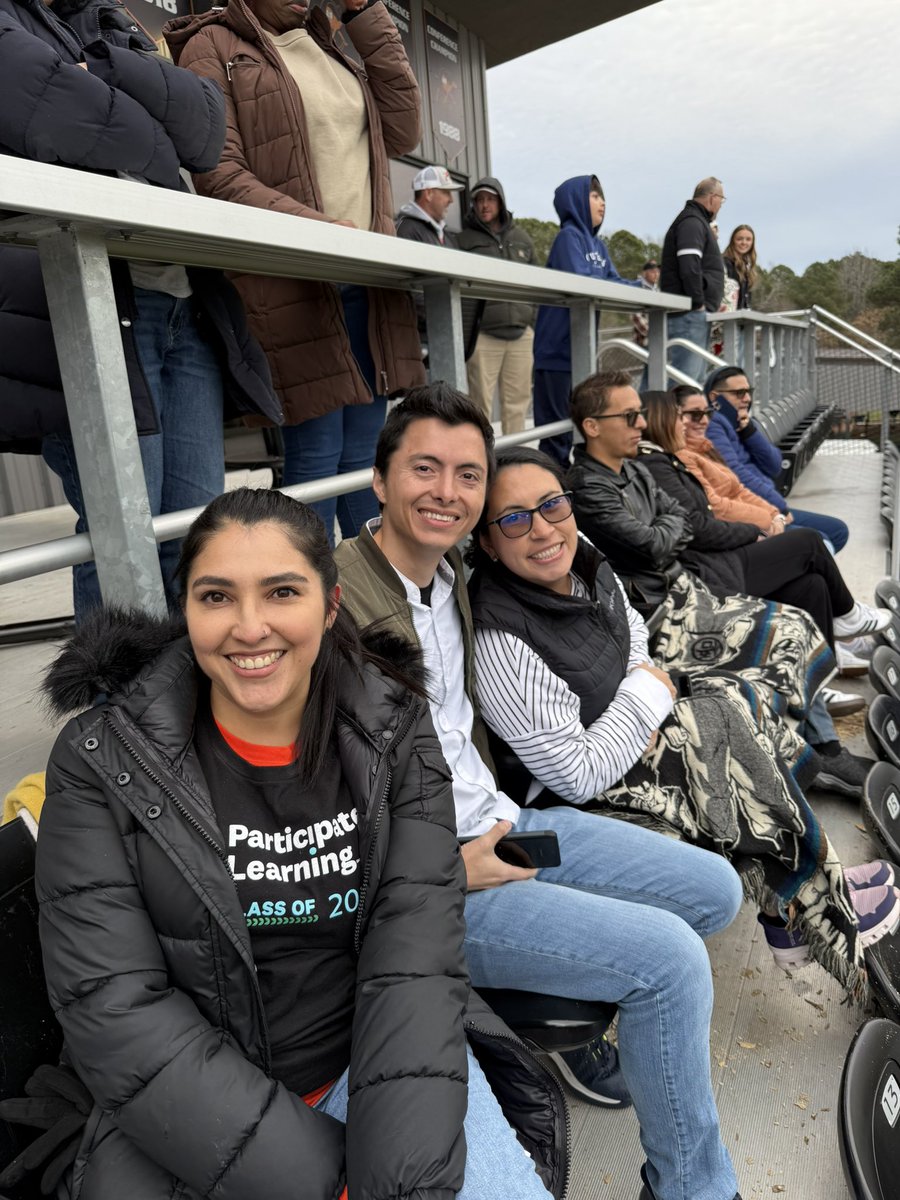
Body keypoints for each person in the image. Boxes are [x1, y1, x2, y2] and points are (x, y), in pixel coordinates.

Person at [35, 487, 567, 1200]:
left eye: (282, 591)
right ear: (185, 611)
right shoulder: (103, 759)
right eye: (216, 597)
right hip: (190, 1107)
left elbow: (414, 954)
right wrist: (327, 1182)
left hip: (374, 1059)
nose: (249, 627)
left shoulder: (392, 727)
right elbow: (113, 1005)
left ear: (331, 604)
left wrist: (397, 1180)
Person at [335, 383, 747, 1200]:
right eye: (424, 468)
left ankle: (563, 996)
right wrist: (443, 871)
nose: (446, 492)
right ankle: (692, 1188)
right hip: (436, 879)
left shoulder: (453, 577)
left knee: (714, 889)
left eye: (466, 474)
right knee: (670, 963)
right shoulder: (333, 603)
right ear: (379, 480)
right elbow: (307, 806)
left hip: (507, 823)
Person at [469, 446, 897, 990]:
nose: (541, 528)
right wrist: (647, 696)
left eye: (551, 505)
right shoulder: (499, 635)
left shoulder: (584, 562)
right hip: (573, 795)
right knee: (710, 728)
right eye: (513, 518)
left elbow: (635, 638)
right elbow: (572, 775)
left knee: (729, 699)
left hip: (619, 736)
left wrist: (642, 690)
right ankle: (807, 907)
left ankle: (801, 890)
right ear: (485, 540)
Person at [0, 0, 280, 620]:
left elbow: (204, 127)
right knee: (126, 530)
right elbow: (50, 114)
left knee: (199, 530)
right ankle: (119, 710)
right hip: (90, 303)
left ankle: (180, 702)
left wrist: (92, 70)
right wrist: (140, 100)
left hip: (185, 303)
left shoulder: (111, 21)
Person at [165, 0, 425, 544]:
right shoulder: (211, 44)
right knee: (318, 455)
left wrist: (365, 13)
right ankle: (311, 609)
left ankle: (370, 608)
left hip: (365, 279)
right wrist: (318, 231)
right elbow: (217, 172)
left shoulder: (329, 41)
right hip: (292, 280)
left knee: (365, 456)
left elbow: (402, 131)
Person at [566, 371, 888, 797]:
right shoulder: (590, 486)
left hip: (684, 584)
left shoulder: (633, 469)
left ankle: (823, 745)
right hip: (666, 611)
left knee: (808, 591)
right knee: (796, 595)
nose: (640, 424)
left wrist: (672, 530)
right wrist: (678, 530)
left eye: (641, 415)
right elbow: (656, 543)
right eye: (629, 416)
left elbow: (678, 521)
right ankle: (816, 751)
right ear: (592, 426)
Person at [638, 390, 869, 718]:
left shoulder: (678, 456)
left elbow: (755, 477)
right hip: (708, 572)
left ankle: (815, 689)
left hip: (725, 553)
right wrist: (757, 530)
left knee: (813, 585)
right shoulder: (659, 464)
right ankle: (846, 614)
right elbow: (702, 524)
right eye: (683, 416)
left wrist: (771, 514)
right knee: (809, 542)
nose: (697, 421)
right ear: (664, 421)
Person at [532, 174, 640, 465]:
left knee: (579, 424)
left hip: (581, 352)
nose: (602, 203)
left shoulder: (599, 246)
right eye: (594, 196)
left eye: (602, 197)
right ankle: (552, 489)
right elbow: (583, 280)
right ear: (576, 201)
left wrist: (640, 286)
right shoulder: (568, 237)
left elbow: (613, 281)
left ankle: (576, 486)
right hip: (556, 351)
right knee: (556, 432)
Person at [703, 366, 851, 553]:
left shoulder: (740, 422)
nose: (747, 399)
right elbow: (735, 475)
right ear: (715, 398)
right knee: (821, 543)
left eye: (749, 392)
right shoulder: (712, 424)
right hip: (749, 509)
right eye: (739, 393)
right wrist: (779, 507)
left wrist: (749, 432)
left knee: (837, 531)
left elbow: (775, 466)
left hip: (769, 505)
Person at [457, 177, 536, 433]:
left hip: (521, 335)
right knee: (478, 407)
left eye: (490, 199)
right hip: (483, 336)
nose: (484, 205)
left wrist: (530, 318)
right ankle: (482, 464)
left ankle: (515, 462)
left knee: (518, 405)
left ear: (500, 202)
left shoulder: (522, 238)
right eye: (479, 199)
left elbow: (538, 283)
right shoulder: (463, 240)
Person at [659, 177, 725, 383]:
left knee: (692, 381)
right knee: (684, 382)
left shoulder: (696, 221)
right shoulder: (692, 222)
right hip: (688, 316)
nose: (721, 205)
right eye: (722, 199)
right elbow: (689, 264)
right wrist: (698, 303)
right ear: (713, 198)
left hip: (692, 315)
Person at [395, 163, 464, 246]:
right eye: (446, 192)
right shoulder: (406, 230)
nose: (451, 200)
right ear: (428, 194)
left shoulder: (447, 236)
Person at [722, 225, 757, 311]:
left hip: (741, 319)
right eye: (739, 239)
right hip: (726, 318)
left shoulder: (747, 267)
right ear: (733, 241)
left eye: (748, 239)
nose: (744, 243)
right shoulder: (725, 263)